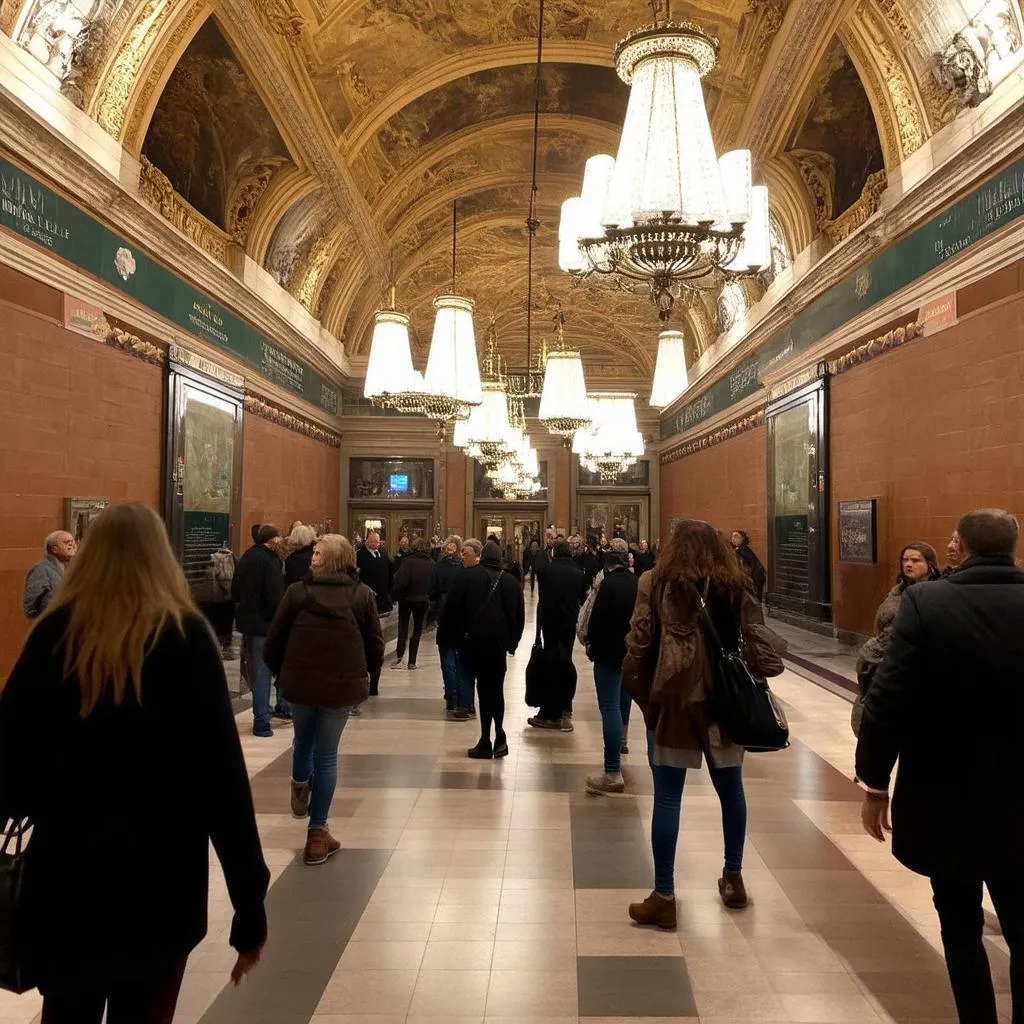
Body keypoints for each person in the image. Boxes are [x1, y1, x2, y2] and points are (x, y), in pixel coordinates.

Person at [0, 503, 269, 1022]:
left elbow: (9, 759)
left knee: (67, 1012)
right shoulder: (187, 639)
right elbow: (223, 783)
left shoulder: (53, 637)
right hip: (161, 882)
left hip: (67, 877)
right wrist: (249, 902)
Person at [856, 509, 1024, 1024]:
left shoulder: (928, 603)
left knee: (959, 924)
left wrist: (875, 782)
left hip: (946, 797)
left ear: (959, 545)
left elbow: (889, 696)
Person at [622, 519, 784, 929]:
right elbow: (757, 637)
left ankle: (664, 895)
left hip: (676, 701)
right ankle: (733, 877)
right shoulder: (736, 583)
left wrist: (643, 699)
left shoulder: (654, 583)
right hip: (726, 705)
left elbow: (640, 642)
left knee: (668, 797)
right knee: (731, 791)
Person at [264, 534, 384, 866]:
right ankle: (317, 834)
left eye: (318, 553)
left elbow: (274, 640)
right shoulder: (361, 595)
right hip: (341, 686)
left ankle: (300, 790)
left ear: (331, 559)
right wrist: (370, 680)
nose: (312, 557)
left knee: (303, 743)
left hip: (301, 682)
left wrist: (282, 674)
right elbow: (374, 642)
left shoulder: (297, 593)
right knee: (327, 754)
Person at [441, 539, 525, 759]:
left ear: (482, 556)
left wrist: (456, 639)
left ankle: (486, 740)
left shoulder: (466, 576)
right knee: (496, 690)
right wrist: (512, 643)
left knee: (482, 690)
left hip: (474, 644)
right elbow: (519, 617)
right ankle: (499, 736)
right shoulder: (511, 582)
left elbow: (451, 610)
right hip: (498, 646)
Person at [855, 542, 941, 704]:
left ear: (930, 564)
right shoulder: (897, 591)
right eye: (905, 560)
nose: (909, 564)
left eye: (916, 560)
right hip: (886, 658)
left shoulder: (937, 593)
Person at [585, 538, 639, 795]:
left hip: (607, 652)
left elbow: (596, 620)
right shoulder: (637, 583)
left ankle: (612, 770)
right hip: (629, 653)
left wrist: (590, 645)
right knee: (623, 700)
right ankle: (623, 741)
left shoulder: (608, 584)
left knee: (609, 708)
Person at [232, 524, 286, 736]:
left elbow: (235, 590)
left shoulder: (246, 556)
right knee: (264, 672)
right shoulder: (270, 560)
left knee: (256, 671)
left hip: (248, 624)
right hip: (265, 625)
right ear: (272, 540)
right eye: (279, 538)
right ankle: (262, 721)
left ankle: (262, 715)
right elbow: (274, 597)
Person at [529, 540, 586, 732]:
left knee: (551, 664)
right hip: (568, 625)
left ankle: (552, 711)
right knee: (565, 663)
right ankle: (563, 710)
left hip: (550, 624)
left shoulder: (547, 572)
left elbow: (542, 597)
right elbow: (580, 599)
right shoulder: (578, 573)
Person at [430, 535, 468, 717]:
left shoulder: (439, 566)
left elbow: (432, 591)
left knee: (448, 659)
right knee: (461, 659)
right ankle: (462, 697)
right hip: (462, 617)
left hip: (445, 615)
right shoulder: (464, 568)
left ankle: (451, 695)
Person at [390, 537, 434, 669]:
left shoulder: (407, 562)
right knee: (417, 630)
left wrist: (395, 595)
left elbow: (401, 582)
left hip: (406, 599)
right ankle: (412, 662)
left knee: (403, 628)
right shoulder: (431, 563)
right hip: (423, 600)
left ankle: (399, 658)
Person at [22, 529, 76, 618]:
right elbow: (30, 606)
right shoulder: (41, 568)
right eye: (67, 542)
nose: (72, 545)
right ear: (54, 549)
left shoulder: (69, 568)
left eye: (73, 542)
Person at [356, 530, 393, 617]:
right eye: (372, 541)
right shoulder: (360, 554)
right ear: (367, 541)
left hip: (384, 593)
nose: (375, 544)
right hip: (369, 592)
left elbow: (390, 568)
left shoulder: (383, 553)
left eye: (377, 541)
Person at [730, 530, 766, 603]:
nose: (733, 538)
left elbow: (748, 567)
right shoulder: (737, 550)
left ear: (742, 539)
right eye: (732, 536)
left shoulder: (744, 551)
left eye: (736, 536)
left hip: (755, 578)